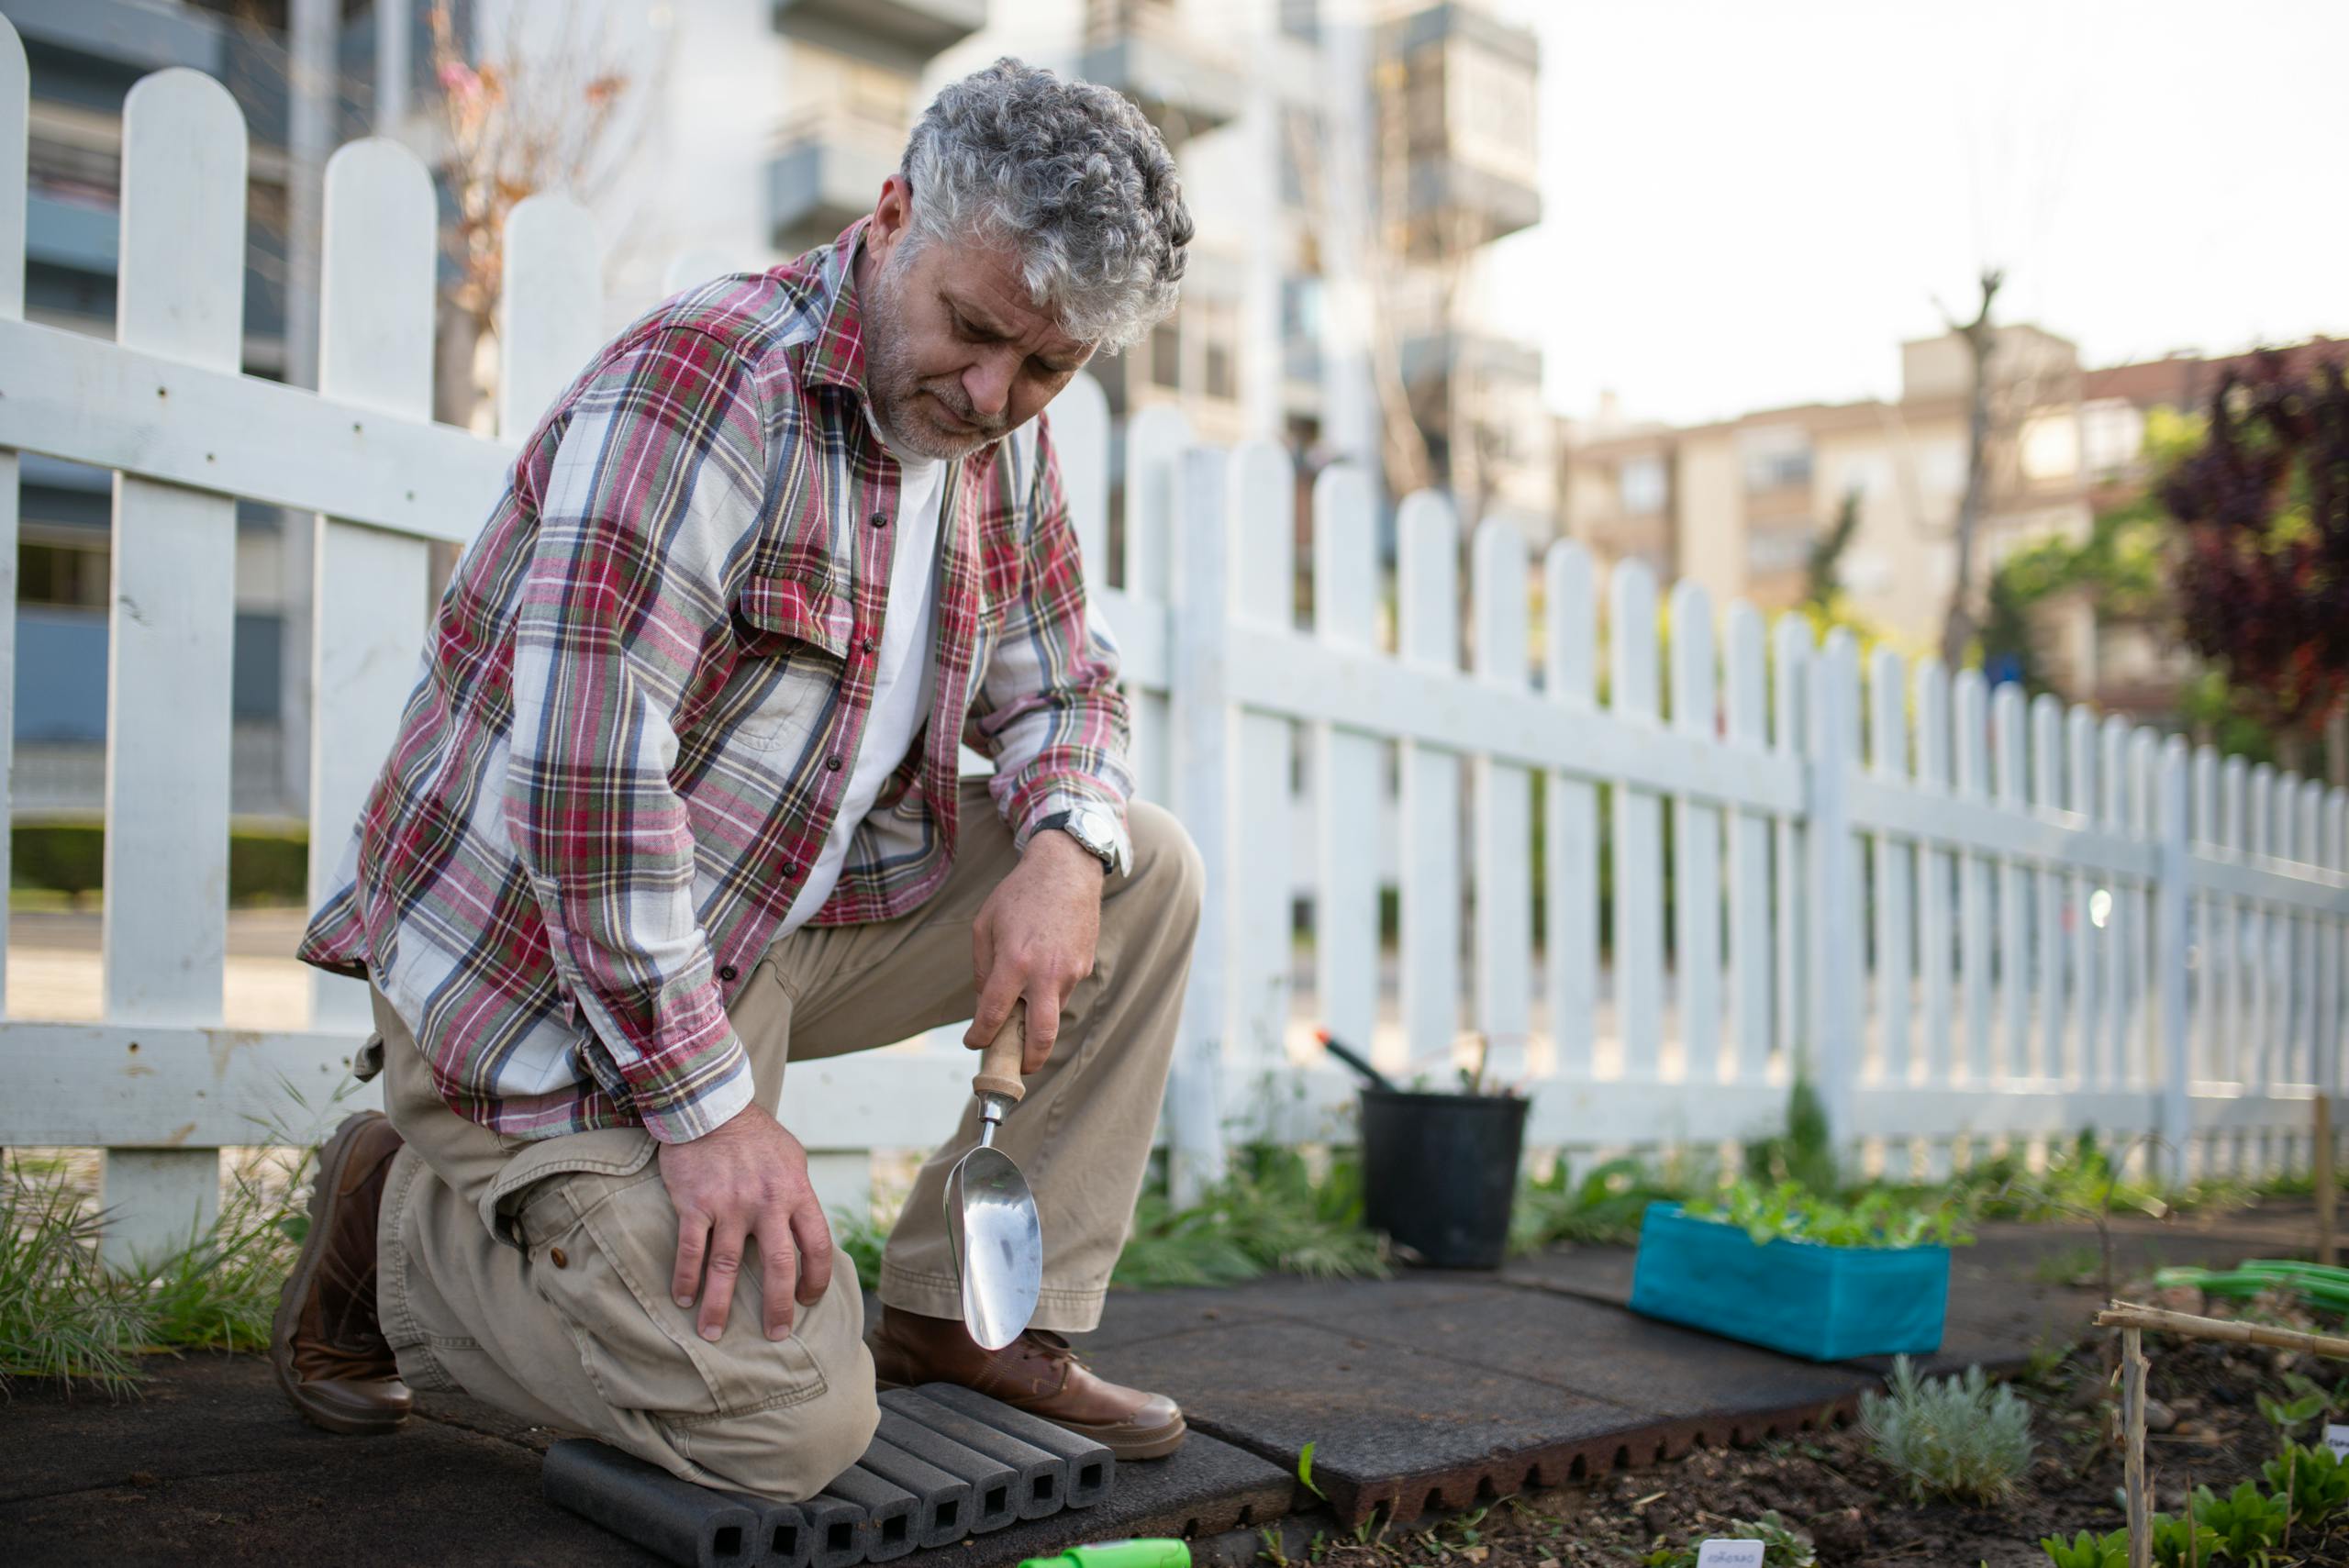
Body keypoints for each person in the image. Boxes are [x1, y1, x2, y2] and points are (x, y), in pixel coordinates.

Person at [272, 58, 1201, 1503]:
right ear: (891, 216)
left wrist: (1065, 849)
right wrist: (711, 1115)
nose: (991, 392)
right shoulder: (708, 386)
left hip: (769, 920)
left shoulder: (998, 435)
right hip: (547, 986)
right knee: (788, 1431)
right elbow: (581, 792)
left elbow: (1066, 681)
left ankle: (961, 1318)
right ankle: (394, 1224)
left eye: (1047, 365)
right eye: (971, 332)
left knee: (1142, 862)